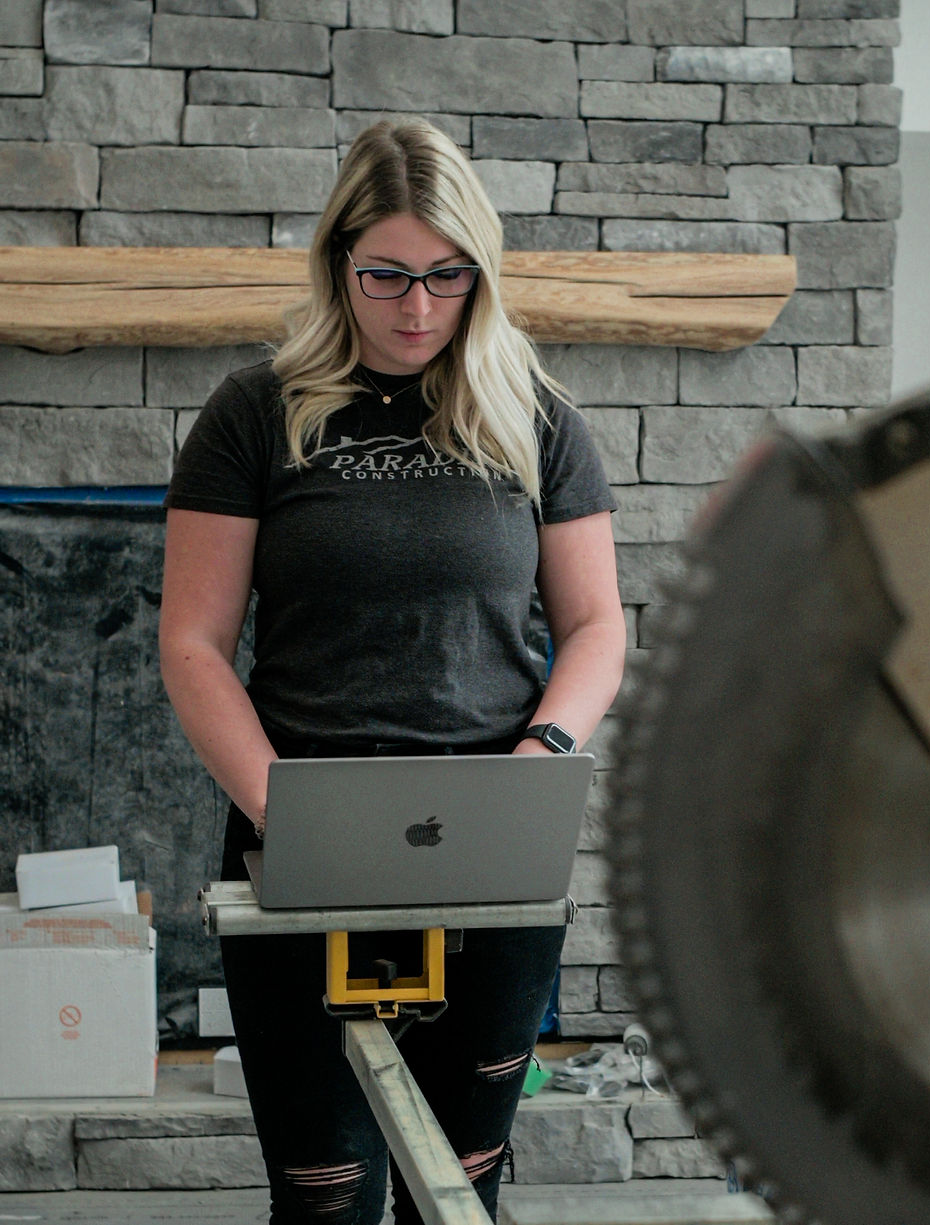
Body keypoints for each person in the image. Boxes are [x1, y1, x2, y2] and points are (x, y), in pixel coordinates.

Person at [159, 117, 625, 1225]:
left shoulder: (538, 420)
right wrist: (282, 806)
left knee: (459, 1191)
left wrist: (540, 753)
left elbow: (599, 623)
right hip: (300, 828)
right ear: (337, 264)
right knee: (325, 1195)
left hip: (492, 836)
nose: (416, 308)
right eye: (385, 276)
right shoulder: (251, 413)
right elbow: (191, 643)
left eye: (444, 277)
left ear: (479, 272)